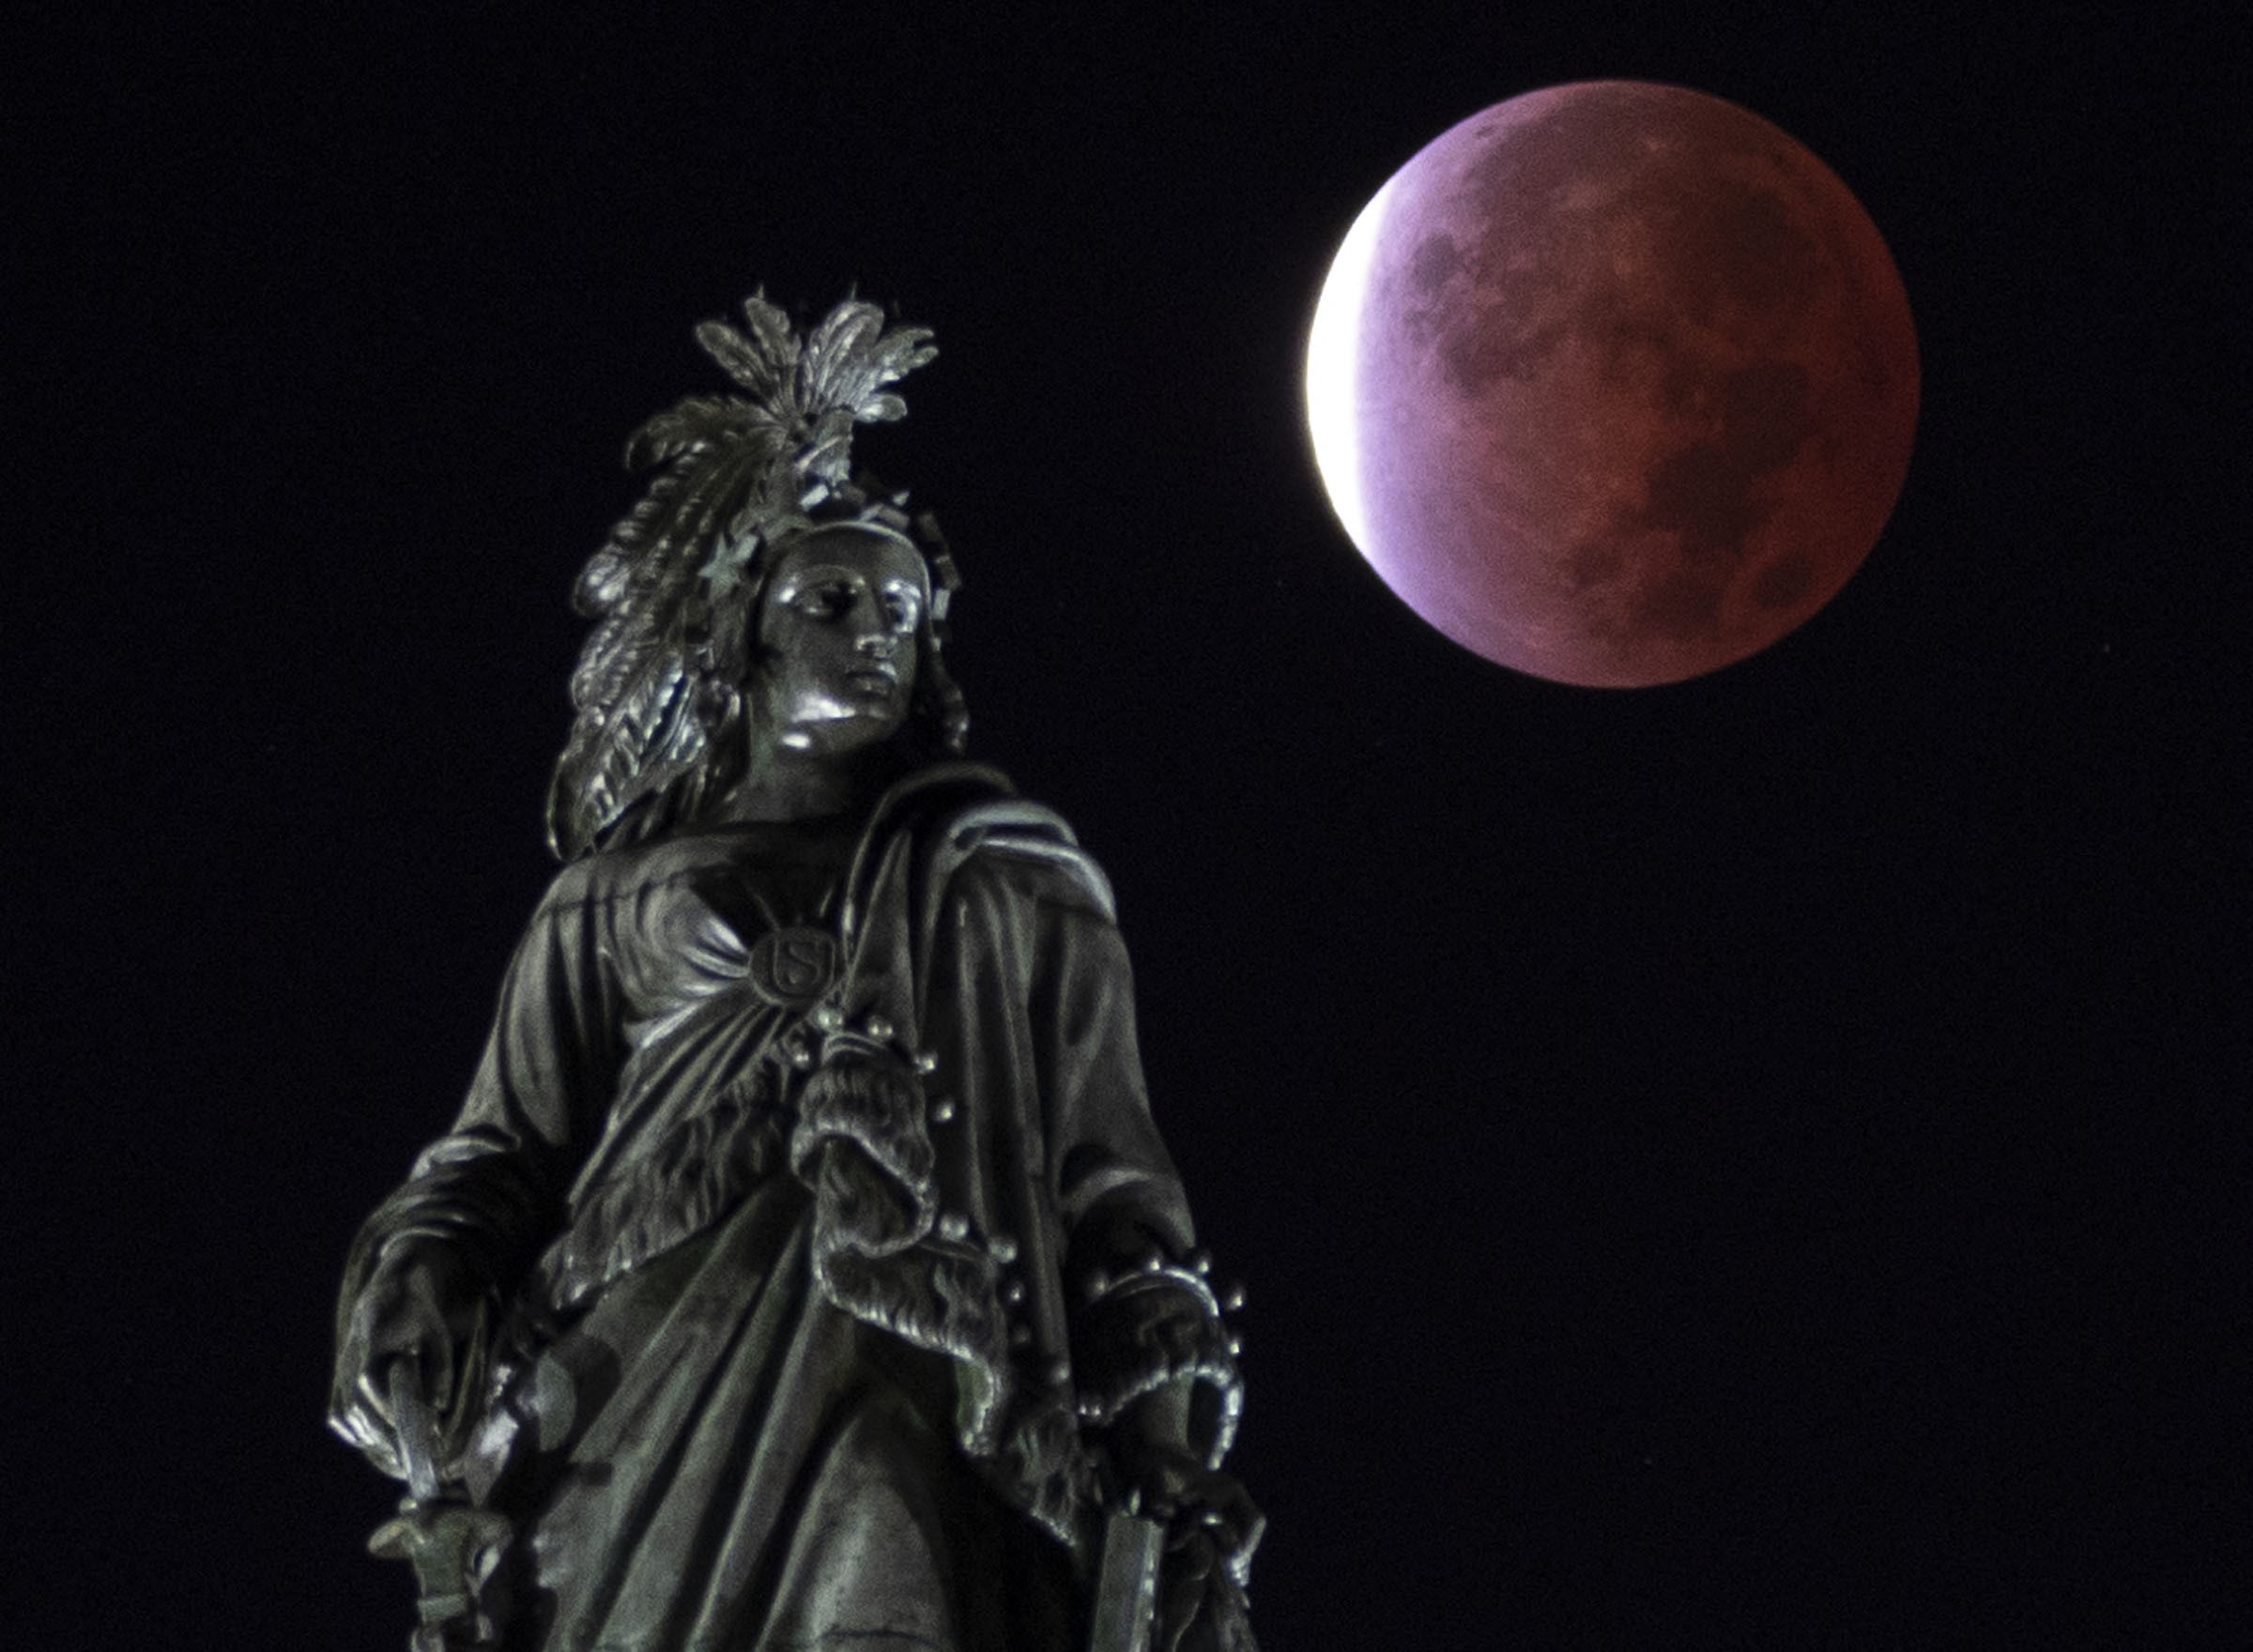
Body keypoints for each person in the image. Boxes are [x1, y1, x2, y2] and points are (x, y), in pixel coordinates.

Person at [329, 295, 1260, 1652]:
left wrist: (1163, 1434)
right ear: (743, 633)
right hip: (631, 1384)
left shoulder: (1009, 878)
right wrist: (417, 1276)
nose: (877, 631)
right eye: (831, 601)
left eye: (904, 611)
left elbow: (1114, 1178)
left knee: (885, 1555)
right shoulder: (605, 899)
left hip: (924, 1385)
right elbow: (501, 1152)